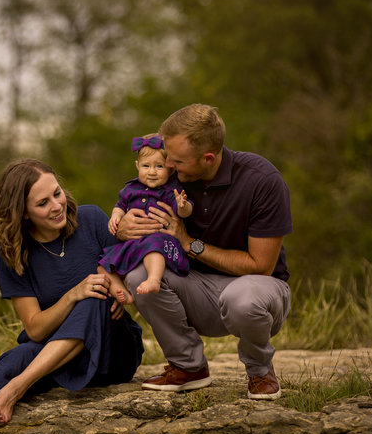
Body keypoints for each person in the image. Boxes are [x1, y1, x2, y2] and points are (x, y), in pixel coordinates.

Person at [0, 159, 144, 434]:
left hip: (113, 353)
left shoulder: (92, 220)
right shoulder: (13, 255)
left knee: (94, 292)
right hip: (59, 357)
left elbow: (124, 284)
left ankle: (16, 388)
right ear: (23, 213)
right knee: (20, 354)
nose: (56, 205)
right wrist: (71, 295)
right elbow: (35, 329)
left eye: (57, 193)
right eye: (42, 203)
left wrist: (114, 289)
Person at [117, 104, 292, 400]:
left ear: (207, 158)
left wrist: (189, 244)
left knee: (242, 299)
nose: (168, 165)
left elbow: (261, 266)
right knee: (140, 274)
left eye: (177, 160)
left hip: (257, 289)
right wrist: (124, 226)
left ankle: (260, 371)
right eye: (166, 155)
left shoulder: (262, 181)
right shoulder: (173, 176)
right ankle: (189, 367)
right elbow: (135, 203)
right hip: (195, 288)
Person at [99, 133, 193, 298]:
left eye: (159, 166)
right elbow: (120, 205)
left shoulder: (171, 191)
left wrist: (183, 206)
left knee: (152, 247)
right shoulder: (130, 189)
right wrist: (116, 216)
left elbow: (184, 212)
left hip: (159, 239)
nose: (152, 172)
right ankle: (120, 290)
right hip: (135, 241)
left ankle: (153, 280)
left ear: (170, 168)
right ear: (137, 166)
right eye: (146, 166)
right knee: (104, 262)